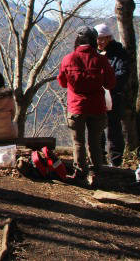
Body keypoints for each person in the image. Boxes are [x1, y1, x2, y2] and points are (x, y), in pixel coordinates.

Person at [57, 26, 115, 187]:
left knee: (78, 142)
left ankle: (79, 173)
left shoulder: (68, 59)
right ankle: (95, 173)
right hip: (97, 107)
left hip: (76, 107)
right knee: (95, 141)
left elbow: (62, 82)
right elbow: (110, 83)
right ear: (94, 40)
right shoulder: (101, 60)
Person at [94, 23, 130, 167]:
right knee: (97, 127)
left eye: (103, 39)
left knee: (113, 129)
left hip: (114, 96)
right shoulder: (94, 53)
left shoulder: (119, 53)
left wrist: (106, 82)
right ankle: (99, 157)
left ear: (109, 38)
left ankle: (116, 160)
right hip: (97, 96)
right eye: (98, 39)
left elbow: (123, 73)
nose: (100, 42)